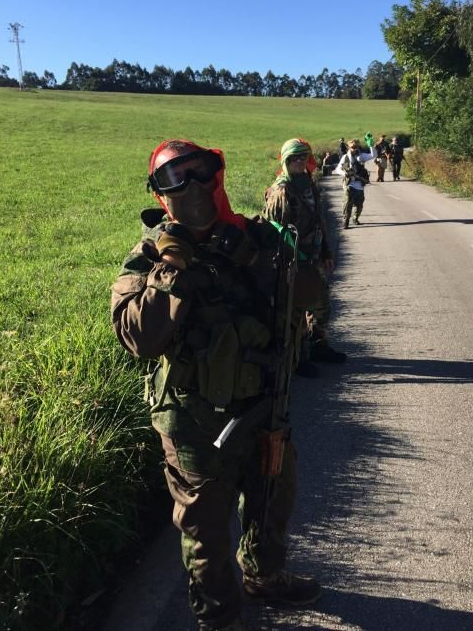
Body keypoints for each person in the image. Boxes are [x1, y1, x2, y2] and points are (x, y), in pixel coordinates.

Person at [111, 139, 321, 631]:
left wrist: (262, 256)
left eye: (197, 171)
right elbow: (138, 337)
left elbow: (310, 295)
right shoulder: (149, 256)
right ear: (158, 194)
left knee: (272, 501)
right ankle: (220, 619)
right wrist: (172, 273)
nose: (189, 187)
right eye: (171, 179)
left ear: (217, 173)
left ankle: (264, 577)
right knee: (205, 533)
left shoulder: (259, 238)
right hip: (193, 425)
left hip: (265, 405)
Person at [263, 138, 346, 373]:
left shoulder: (308, 184)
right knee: (295, 310)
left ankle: (318, 345)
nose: (299, 161)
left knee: (321, 306)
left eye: (303, 157)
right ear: (286, 160)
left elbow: (319, 221)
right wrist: (290, 261)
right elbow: (274, 229)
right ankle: (298, 359)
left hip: (313, 257)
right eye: (294, 158)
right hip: (293, 261)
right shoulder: (281, 190)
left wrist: (326, 250)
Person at [334, 138, 376, 228]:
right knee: (347, 204)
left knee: (359, 205)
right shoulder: (345, 157)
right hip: (349, 184)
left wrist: (371, 145)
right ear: (349, 147)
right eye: (353, 147)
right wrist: (344, 173)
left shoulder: (361, 156)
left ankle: (355, 218)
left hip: (359, 185)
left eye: (356, 146)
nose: (355, 148)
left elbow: (373, 155)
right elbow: (337, 169)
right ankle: (346, 221)